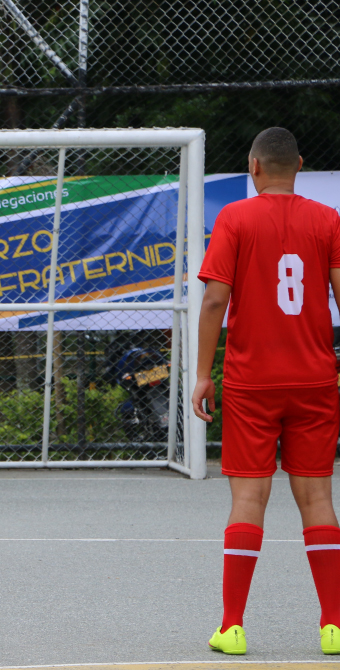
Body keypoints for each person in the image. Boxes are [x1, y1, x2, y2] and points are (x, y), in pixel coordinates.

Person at [192, 127, 340, 655]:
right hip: (315, 378)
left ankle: (232, 626)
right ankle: (334, 625)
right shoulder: (327, 219)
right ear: (298, 166)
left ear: (254, 168)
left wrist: (204, 373)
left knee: (249, 497)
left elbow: (214, 302)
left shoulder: (235, 217)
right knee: (318, 497)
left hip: (254, 381)